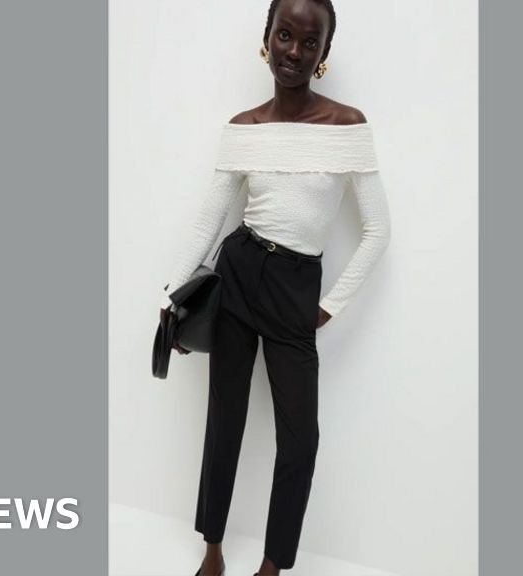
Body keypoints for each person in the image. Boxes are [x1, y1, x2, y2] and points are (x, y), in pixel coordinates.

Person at [159, 0, 391, 574]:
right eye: (285, 35)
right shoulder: (244, 129)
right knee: (225, 421)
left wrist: (328, 307)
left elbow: (378, 230)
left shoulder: (347, 126)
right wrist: (172, 303)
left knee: (300, 440)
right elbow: (208, 223)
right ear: (267, 38)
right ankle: (213, 550)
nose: (294, 51)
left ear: (324, 53)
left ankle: (271, 566)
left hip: (296, 288)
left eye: (310, 42)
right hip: (239, 275)